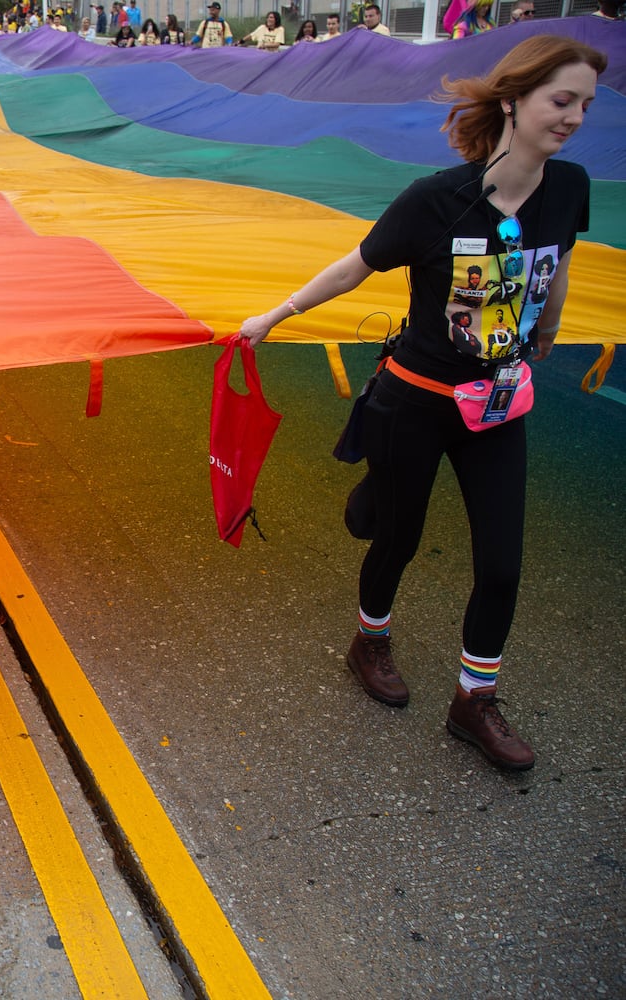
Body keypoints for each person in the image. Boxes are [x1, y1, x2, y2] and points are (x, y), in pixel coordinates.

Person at [235, 35, 604, 772]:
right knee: (398, 539)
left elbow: (558, 263)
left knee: (502, 564)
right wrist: (275, 317)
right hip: (418, 401)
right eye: (561, 100)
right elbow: (355, 268)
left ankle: (475, 699)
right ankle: (369, 638)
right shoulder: (437, 199)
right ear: (512, 101)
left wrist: (551, 331)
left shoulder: (569, 188)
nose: (574, 117)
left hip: (498, 407)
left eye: (585, 105)